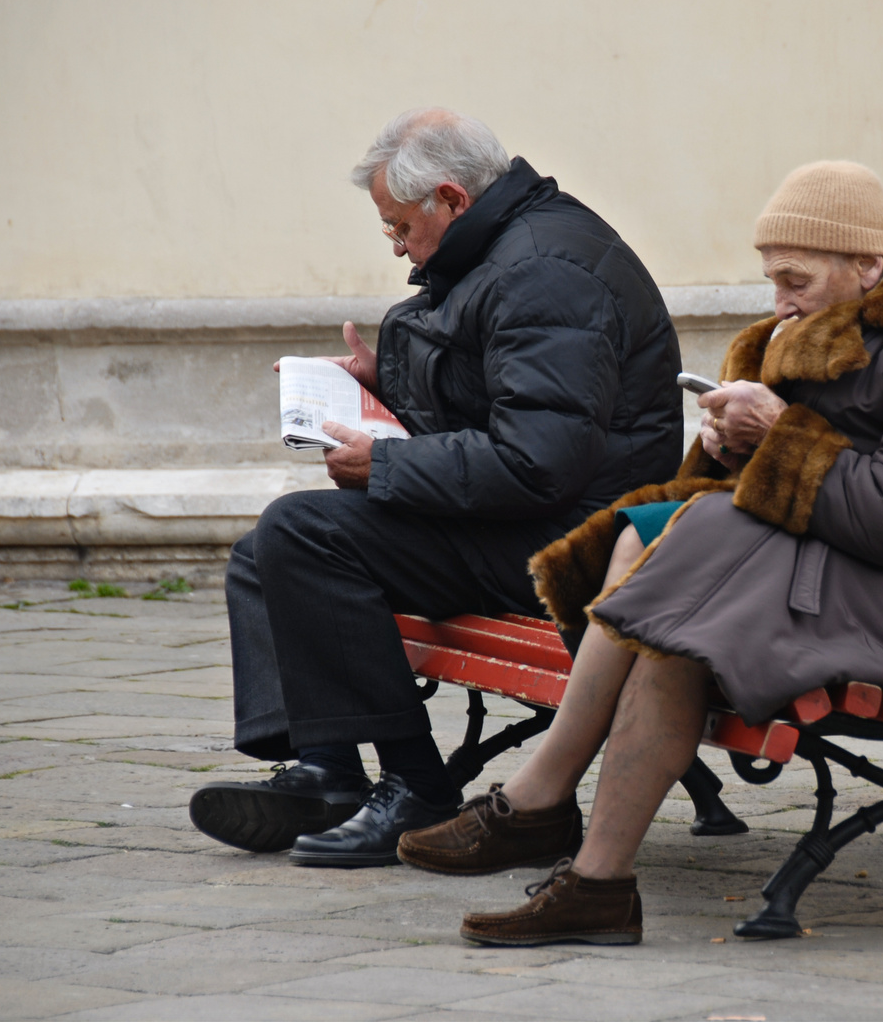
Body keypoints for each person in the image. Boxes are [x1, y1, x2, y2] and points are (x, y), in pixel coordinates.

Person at [395, 161, 883, 945]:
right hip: (851, 568)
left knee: (689, 582)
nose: (781, 301)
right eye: (774, 279)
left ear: (867, 265)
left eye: (796, 279)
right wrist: (731, 447)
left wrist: (777, 434)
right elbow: (802, 486)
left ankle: (546, 817)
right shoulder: (827, 327)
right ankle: (588, 871)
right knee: (657, 562)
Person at [188, 109, 684, 867]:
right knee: (266, 550)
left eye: (399, 227)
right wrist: (380, 378)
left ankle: (416, 787)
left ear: (450, 198)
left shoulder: (544, 269)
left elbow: (535, 460)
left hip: (573, 541)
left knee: (303, 534)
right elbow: (495, 383)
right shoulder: (509, 248)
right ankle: (327, 772)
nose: (396, 245)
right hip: (533, 517)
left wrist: (383, 467)